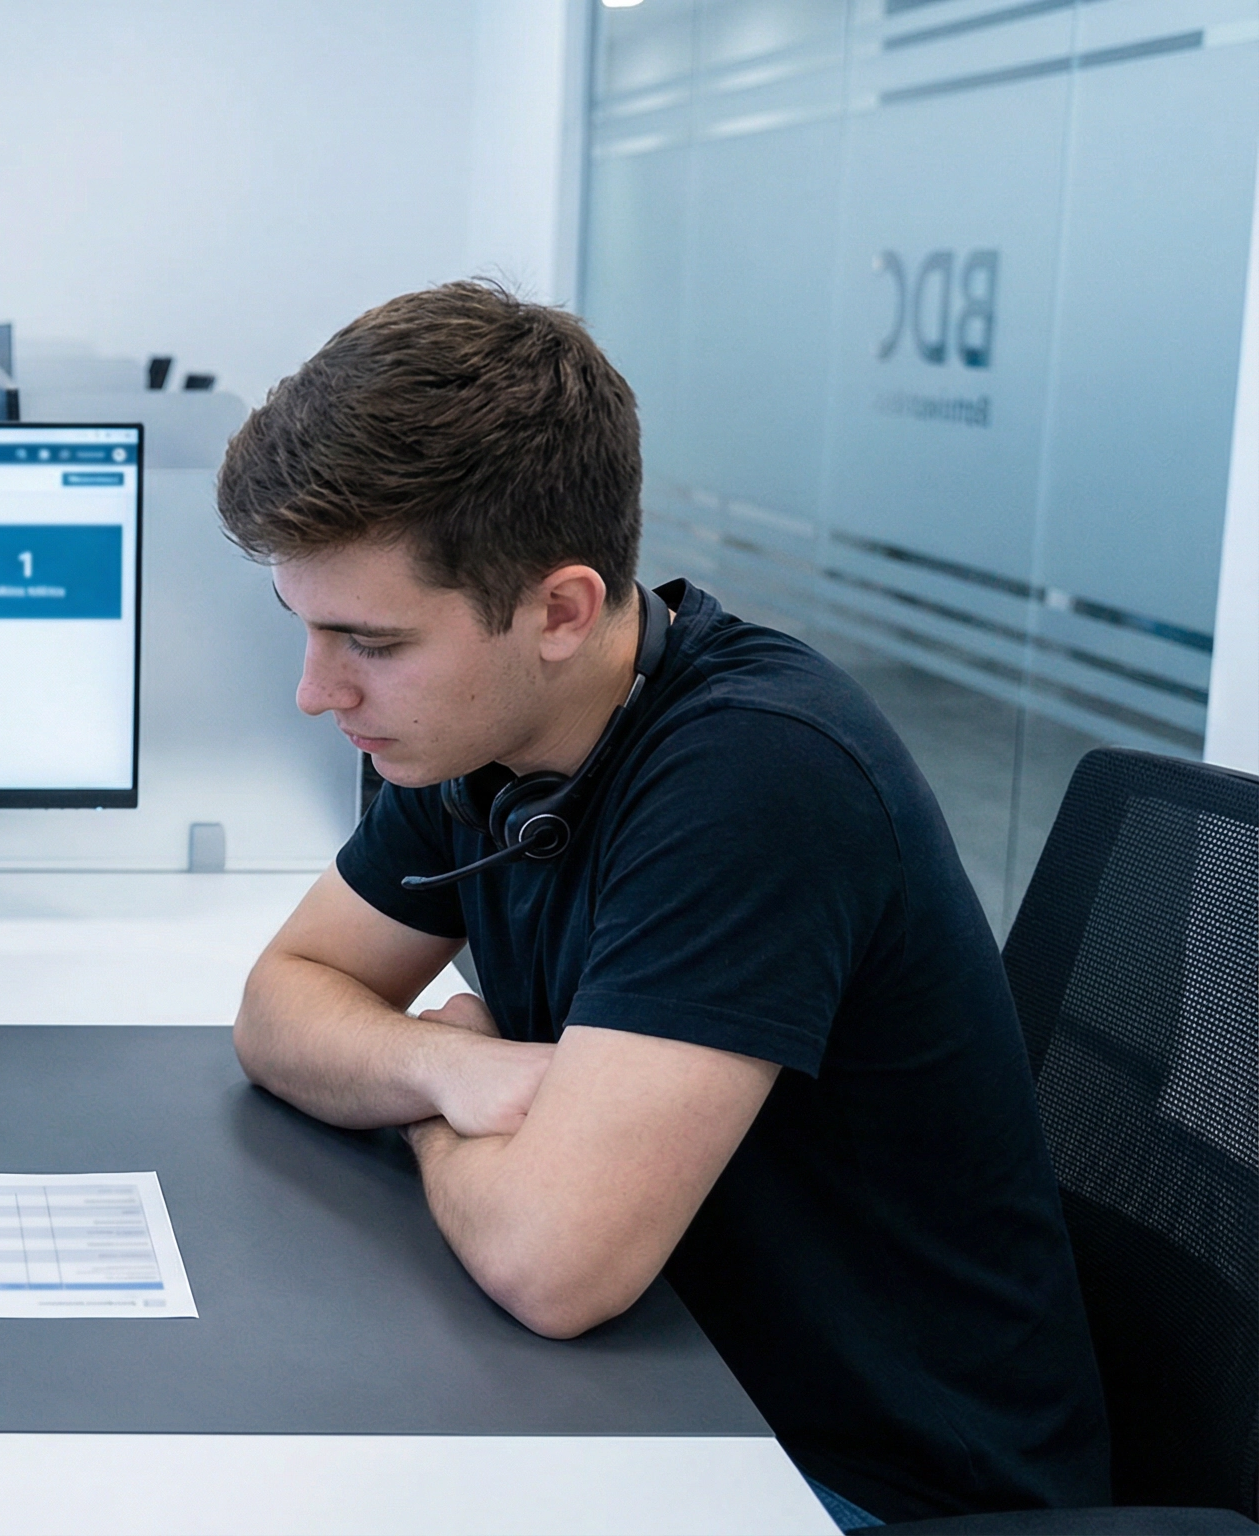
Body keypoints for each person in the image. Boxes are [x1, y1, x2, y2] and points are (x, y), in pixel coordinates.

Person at [219, 281, 1110, 1527]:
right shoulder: (484, 733)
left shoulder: (758, 776)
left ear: (561, 610)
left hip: (867, 1484)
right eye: (305, 631)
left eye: (371, 642)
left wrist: (424, 1104)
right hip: (668, 1391)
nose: (320, 693)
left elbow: (553, 1262)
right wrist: (453, 1074)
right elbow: (279, 1004)